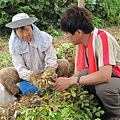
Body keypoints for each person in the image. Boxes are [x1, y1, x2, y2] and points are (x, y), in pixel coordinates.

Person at [53, 6, 120, 120]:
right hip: (112, 77)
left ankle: (116, 115)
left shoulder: (102, 39)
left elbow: (105, 75)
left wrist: (71, 81)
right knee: (83, 74)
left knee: (104, 88)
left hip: (115, 76)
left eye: (67, 33)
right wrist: (66, 84)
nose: (66, 36)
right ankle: (103, 109)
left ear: (79, 32)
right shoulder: (84, 43)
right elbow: (81, 72)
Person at [0, 13, 69, 106]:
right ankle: (20, 98)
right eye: (20, 32)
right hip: (26, 74)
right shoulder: (14, 45)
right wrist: (33, 77)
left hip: (44, 71)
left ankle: (57, 90)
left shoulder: (43, 38)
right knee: (3, 74)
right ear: (15, 32)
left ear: (31, 27)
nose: (25, 34)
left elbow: (51, 57)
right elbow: (19, 67)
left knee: (64, 64)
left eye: (27, 29)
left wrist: (49, 70)